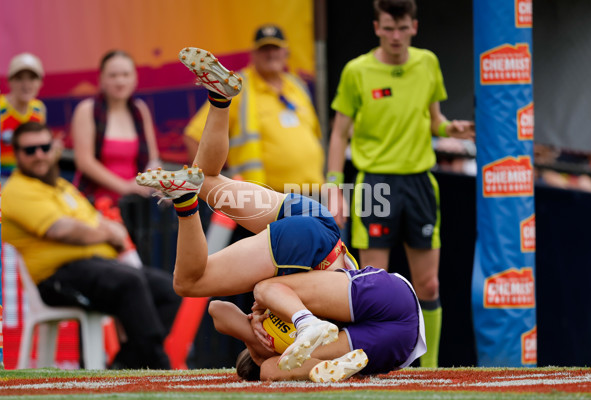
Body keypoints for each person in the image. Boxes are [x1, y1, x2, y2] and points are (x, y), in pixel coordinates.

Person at [137, 47, 378, 372]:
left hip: (312, 216)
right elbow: (274, 369)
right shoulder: (292, 346)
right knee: (187, 284)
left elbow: (218, 312)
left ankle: (220, 99)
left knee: (205, 179)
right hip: (309, 247)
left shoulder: (273, 337)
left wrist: (252, 329)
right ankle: (185, 202)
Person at [325, 0, 475, 368]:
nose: (395, 36)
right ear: (376, 27)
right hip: (375, 184)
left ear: (414, 27)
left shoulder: (427, 63)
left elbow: (434, 120)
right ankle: (371, 364)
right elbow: (339, 133)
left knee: (430, 286)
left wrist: (448, 129)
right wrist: (333, 188)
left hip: (420, 184)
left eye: (402, 28)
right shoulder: (356, 71)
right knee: (371, 288)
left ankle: (431, 370)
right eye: (388, 28)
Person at [2, 121, 181, 369]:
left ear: (54, 148)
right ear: (17, 154)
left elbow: (91, 222)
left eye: (44, 147)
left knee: (167, 290)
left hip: (97, 266)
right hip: (57, 277)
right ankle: (159, 367)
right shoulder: (17, 190)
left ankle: (125, 365)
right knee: (129, 282)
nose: (39, 155)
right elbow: (62, 230)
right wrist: (108, 235)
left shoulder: (63, 186)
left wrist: (104, 232)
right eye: (30, 150)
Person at [209, 266, 426, 382]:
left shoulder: (263, 348)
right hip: (395, 300)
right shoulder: (263, 343)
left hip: (401, 344)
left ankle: (309, 329)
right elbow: (215, 308)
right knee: (264, 290)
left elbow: (216, 309)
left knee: (269, 369)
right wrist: (256, 316)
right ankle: (307, 324)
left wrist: (254, 326)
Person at [183, 25, 324, 194]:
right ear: (253, 55)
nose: (271, 54)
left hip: (314, 193)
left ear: (286, 52)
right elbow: (193, 136)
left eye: (276, 48)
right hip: (265, 200)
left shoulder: (297, 85)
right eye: (264, 49)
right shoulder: (236, 88)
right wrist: (212, 185)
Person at [70, 50, 160, 204]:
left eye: (126, 75)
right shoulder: (87, 110)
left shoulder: (140, 109)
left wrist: (156, 181)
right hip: (95, 201)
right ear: (101, 79)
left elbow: (153, 158)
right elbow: (84, 162)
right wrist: (124, 186)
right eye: (113, 75)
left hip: (134, 202)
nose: (120, 81)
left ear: (135, 78)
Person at [1, 53, 46, 181]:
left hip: (30, 178)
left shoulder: (39, 109)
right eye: (19, 78)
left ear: (41, 82)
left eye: (32, 78)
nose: (26, 84)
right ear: (9, 81)